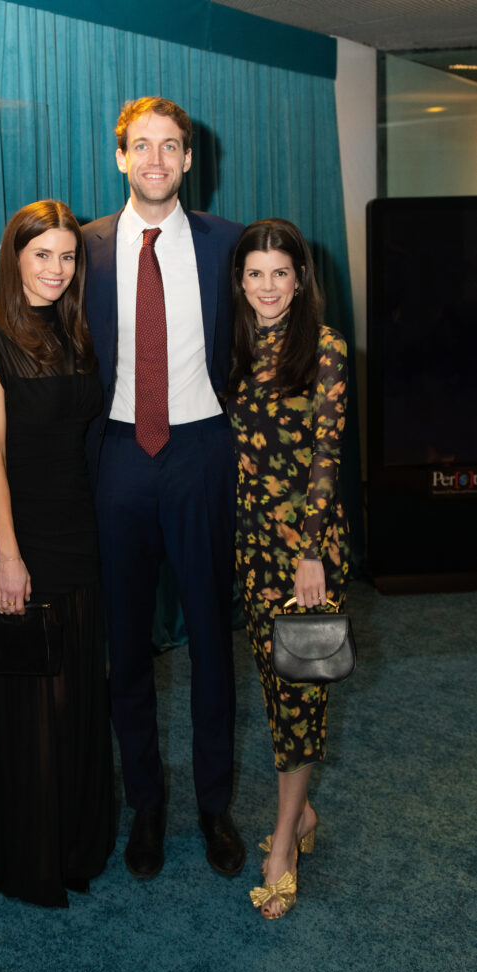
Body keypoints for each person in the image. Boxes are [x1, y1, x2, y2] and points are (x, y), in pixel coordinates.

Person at [82, 96, 245, 880]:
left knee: (213, 638)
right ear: (120, 157)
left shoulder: (228, 245)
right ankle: (146, 802)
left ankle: (214, 803)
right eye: (140, 146)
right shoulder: (79, 249)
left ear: (189, 160)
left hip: (202, 453)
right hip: (117, 458)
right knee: (126, 644)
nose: (154, 159)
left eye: (169, 146)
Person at [0, 200, 115, 908]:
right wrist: (9, 558)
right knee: (36, 695)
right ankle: (35, 855)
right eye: (41, 255)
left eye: (66, 256)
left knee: (81, 686)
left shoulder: (76, 332)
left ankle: (80, 842)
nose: (56, 270)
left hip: (80, 527)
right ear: (14, 258)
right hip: (24, 537)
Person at [227, 218, 350, 919]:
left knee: (302, 693)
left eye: (279, 273)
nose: (267, 287)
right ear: (239, 282)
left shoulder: (324, 348)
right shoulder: (237, 348)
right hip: (251, 551)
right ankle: (299, 817)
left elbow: (327, 459)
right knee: (274, 692)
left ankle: (279, 845)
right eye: (254, 274)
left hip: (305, 553)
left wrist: (310, 553)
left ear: (300, 278)